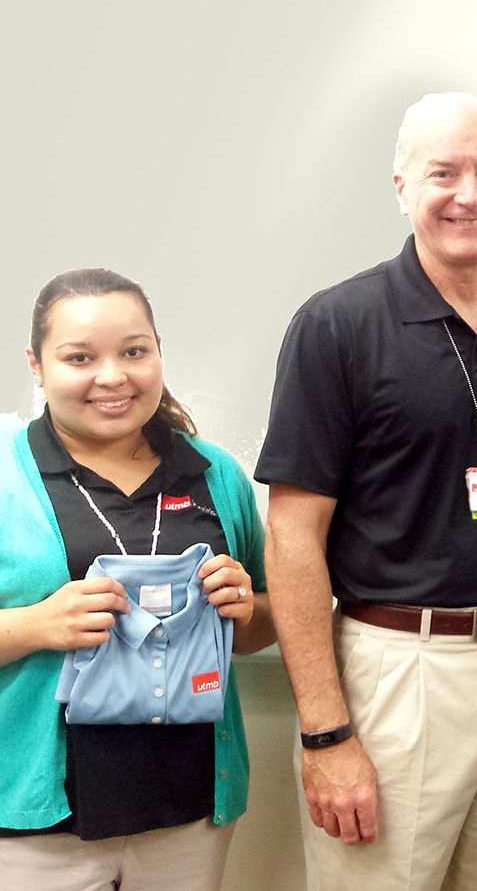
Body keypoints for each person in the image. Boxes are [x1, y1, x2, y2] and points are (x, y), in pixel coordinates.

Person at [254, 91, 477, 891]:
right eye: (443, 172)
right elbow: (292, 535)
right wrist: (324, 732)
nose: (469, 194)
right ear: (400, 186)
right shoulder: (338, 325)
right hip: (394, 670)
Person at [0, 268, 275, 890]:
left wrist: (243, 610)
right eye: (79, 357)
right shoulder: (7, 477)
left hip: (188, 813)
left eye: (134, 351)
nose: (113, 376)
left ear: (158, 353)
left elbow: (264, 624)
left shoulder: (214, 474)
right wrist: (35, 626)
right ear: (36, 365)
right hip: (35, 827)